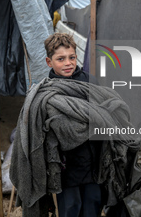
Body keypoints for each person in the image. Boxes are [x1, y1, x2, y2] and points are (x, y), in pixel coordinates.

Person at [44, 32, 103, 217]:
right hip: (66, 165)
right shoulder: (46, 91)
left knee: (93, 205)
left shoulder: (90, 82)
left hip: (92, 160)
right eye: (60, 59)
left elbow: (104, 113)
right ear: (49, 62)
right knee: (71, 208)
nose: (68, 63)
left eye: (72, 57)